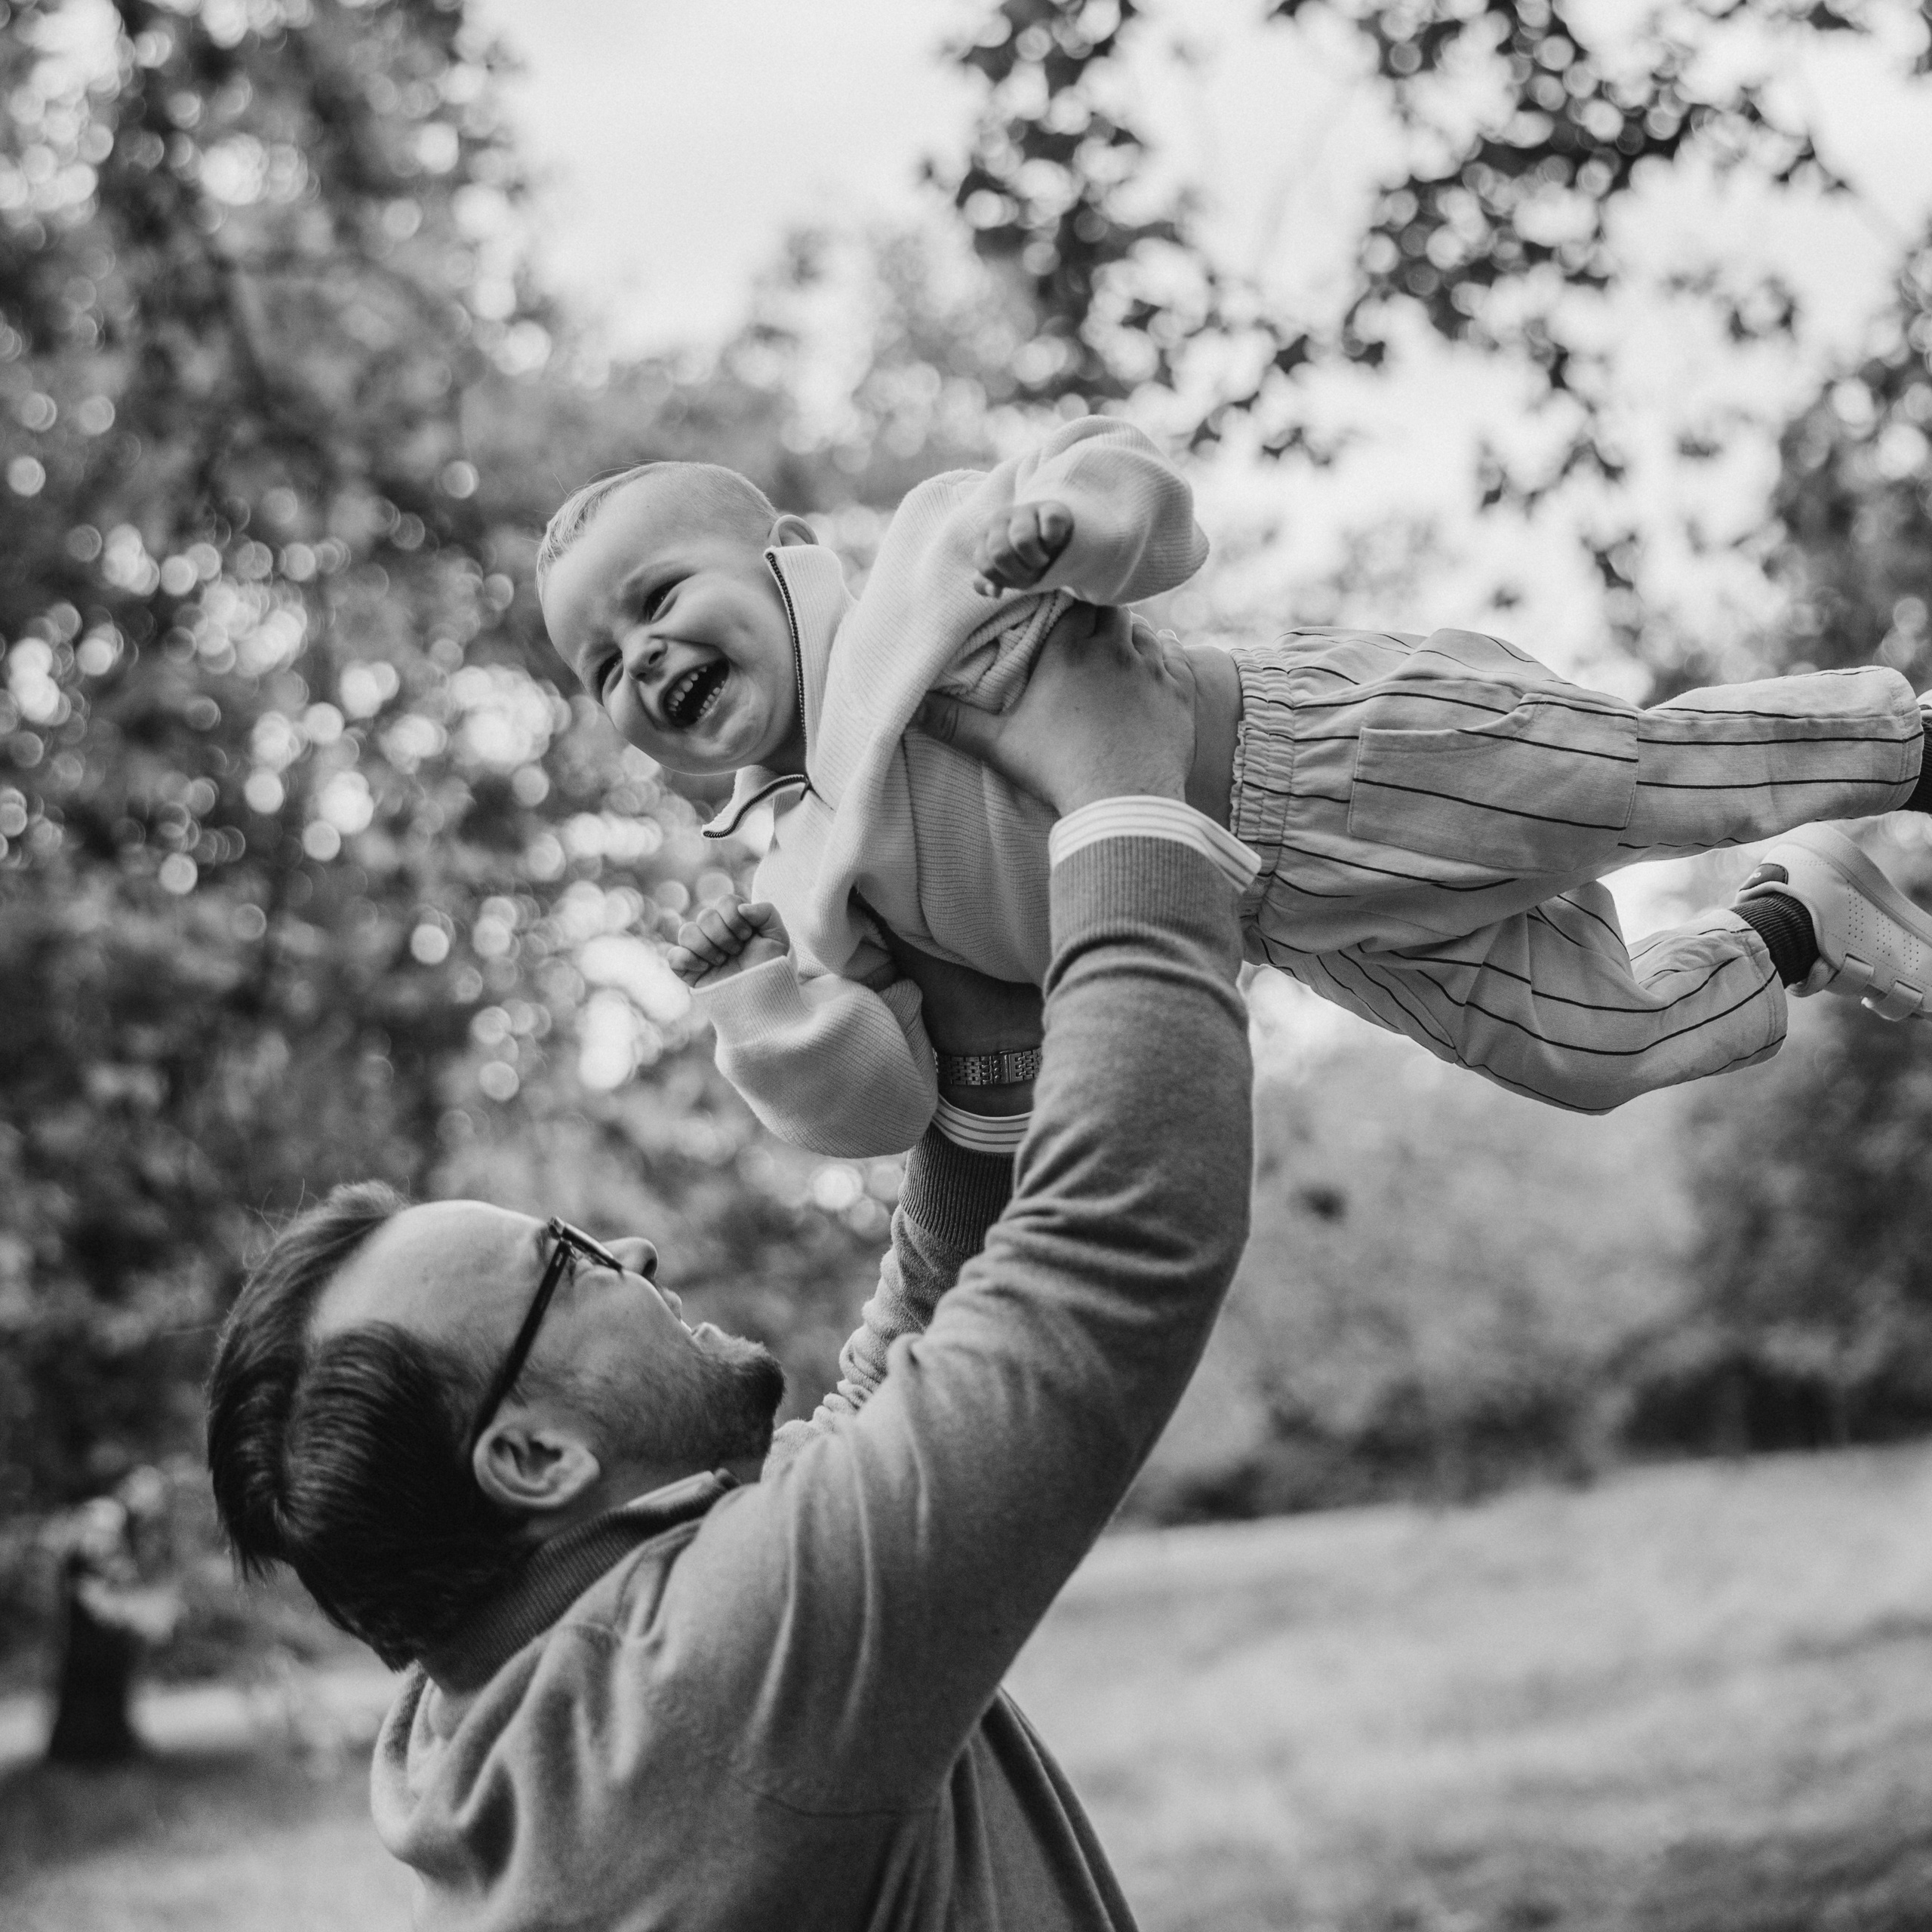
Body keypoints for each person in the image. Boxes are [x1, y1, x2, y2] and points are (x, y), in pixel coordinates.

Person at [204, 613, 1257, 1930]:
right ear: (533, 1461)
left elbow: (913, 1363)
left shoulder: (519, 1695)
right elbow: (1115, 1249)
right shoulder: (711, 1686)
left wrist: (978, 1043)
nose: (629, 1249)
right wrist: (1118, 791)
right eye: (570, 1263)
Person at [535, 419, 1932, 1158]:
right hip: (1295, 928)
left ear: (781, 557)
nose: (641, 657)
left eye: (659, 596)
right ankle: (1795, 924)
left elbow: (1134, 487)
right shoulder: (803, 877)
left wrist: (1076, 528)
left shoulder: (928, 571)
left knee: (1641, 788)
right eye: (600, 666)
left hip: (1314, 750)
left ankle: (1910, 745)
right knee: (1587, 1050)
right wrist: (761, 1012)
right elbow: (887, 1105)